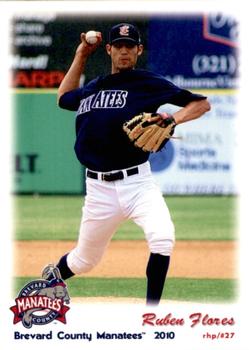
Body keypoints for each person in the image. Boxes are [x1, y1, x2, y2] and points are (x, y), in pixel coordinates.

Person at [42, 23, 210, 305]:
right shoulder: (93, 87)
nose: (124, 51)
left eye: (129, 46)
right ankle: (46, 283)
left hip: (137, 184)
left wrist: (173, 119)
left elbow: (201, 104)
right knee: (84, 260)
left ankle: (151, 314)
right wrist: (81, 54)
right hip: (98, 189)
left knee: (162, 238)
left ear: (138, 50)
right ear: (108, 49)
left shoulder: (148, 83)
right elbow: (62, 99)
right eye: (118, 46)